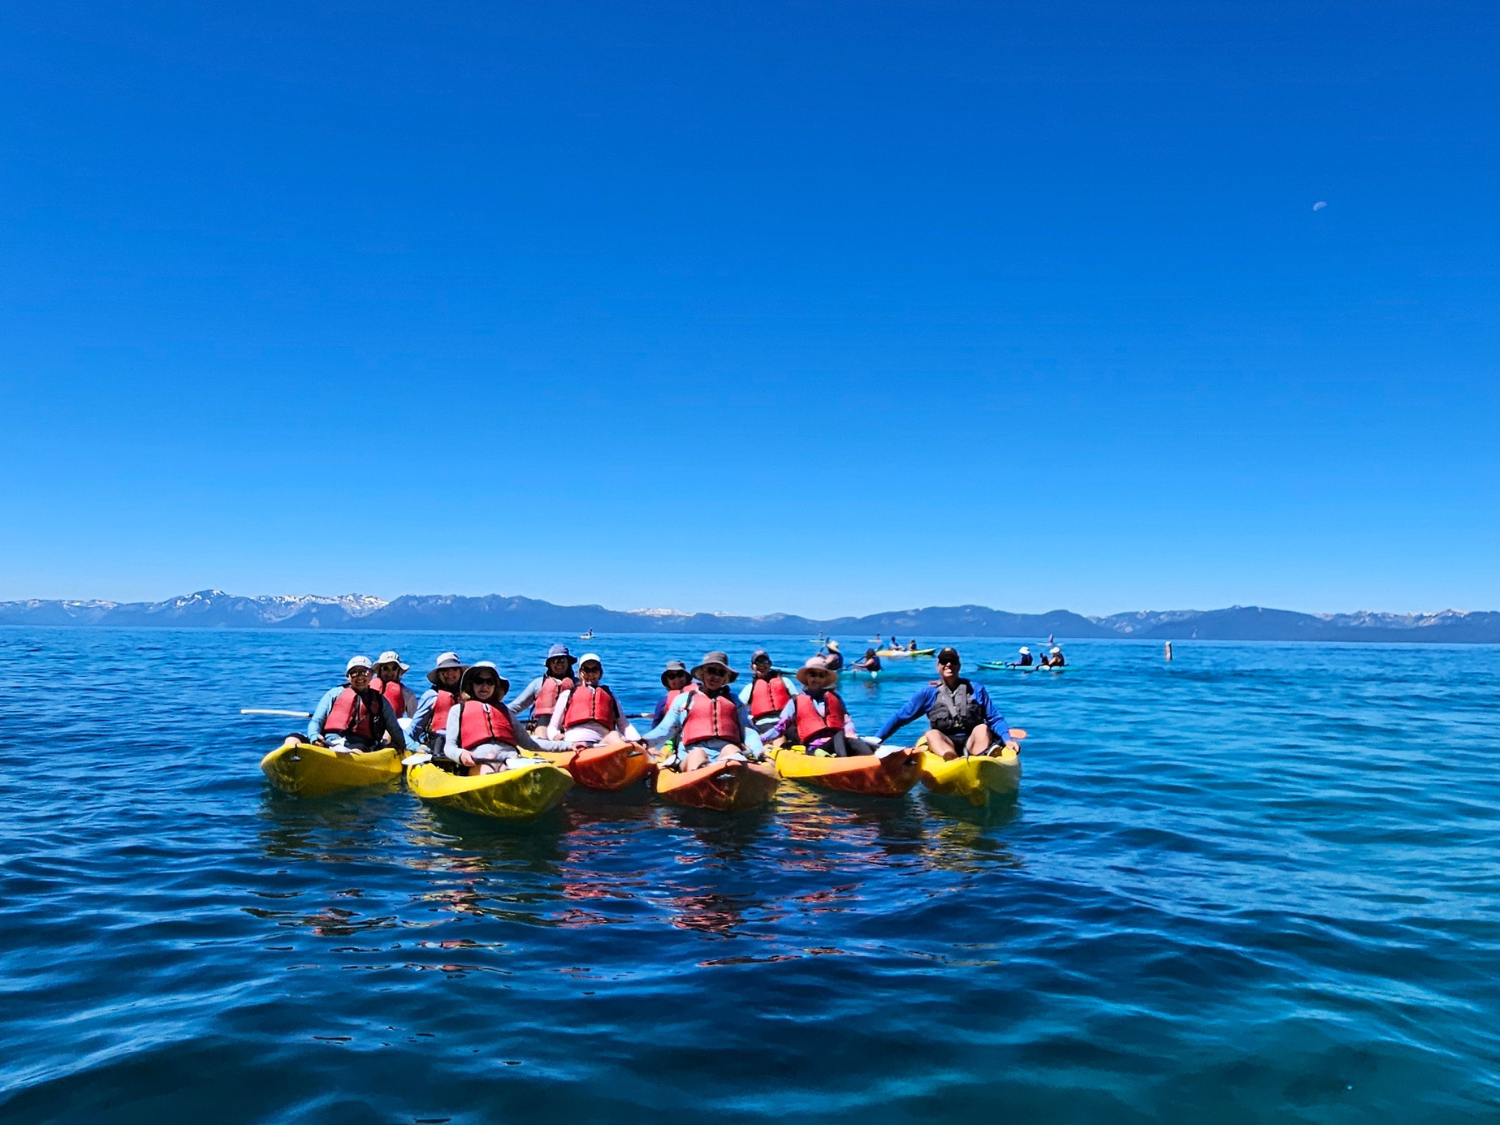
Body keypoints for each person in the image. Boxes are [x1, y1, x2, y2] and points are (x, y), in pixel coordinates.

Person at [874, 646, 1018, 761]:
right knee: (931, 733)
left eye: (953, 661)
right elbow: (900, 717)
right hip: (946, 742)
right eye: (944, 661)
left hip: (972, 740)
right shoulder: (928, 693)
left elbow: (994, 718)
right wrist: (876, 740)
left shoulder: (976, 689)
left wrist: (1007, 739)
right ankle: (951, 759)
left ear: (959, 666)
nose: (948, 664)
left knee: (982, 728)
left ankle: (981, 760)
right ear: (938, 666)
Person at [641, 651, 766, 771]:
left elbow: (748, 731)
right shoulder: (685, 700)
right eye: (711, 671)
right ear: (702, 674)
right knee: (698, 755)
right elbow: (665, 729)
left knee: (731, 750)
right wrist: (645, 741)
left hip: (725, 754)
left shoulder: (735, 702)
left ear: (725, 679)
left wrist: (758, 751)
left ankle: (730, 777)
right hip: (691, 753)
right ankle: (702, 777)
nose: (715, 676)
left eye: (721, 673)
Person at [442, 662, 558, 775]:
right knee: (489, 762)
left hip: (510, 759)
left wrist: (568, 745)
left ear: (495, 686)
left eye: (490, 682)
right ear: (471, 684)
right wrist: (461, 755)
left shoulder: (505, 711)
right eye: (479, 681)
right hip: (479, 760)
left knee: (506, 766)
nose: (484, 686)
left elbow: (530, 744)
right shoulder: (458, 710)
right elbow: (449, 747)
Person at [760, 656, 878, 756]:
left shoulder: (835, 698)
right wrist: (761, 739)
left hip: (839, 743)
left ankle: (874, 761)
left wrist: (850, 732)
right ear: (807, 677)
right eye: (813, 675)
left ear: (825, 679)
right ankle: (843, 764)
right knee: (840, 735)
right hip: (815, 750)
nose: (816, 679)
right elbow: (780, 727)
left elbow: (847, 721)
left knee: (851, 739)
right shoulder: (795, 701)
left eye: (821, 676)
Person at [298, 655, 408, 753]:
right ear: (348, 676)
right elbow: (317, 720)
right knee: (293, 739)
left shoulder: (380, 701)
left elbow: (395, 730)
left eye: (364, 672)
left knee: (356, 750)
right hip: (328, 741)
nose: (360, 676)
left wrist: (413, 748)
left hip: (360, 745)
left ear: (371, 675)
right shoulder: (334, 694)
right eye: (354, 672)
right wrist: (314, 737)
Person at [546, 653, 640, 749]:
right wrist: (555, 735)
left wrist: (638, 741)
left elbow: (624, 725)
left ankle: (632, 754)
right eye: (586, 669)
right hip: (574, 743)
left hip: (601, 745)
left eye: (594, 669)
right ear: (580, 673)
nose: (590, 673)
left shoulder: (610, 696)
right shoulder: (567, 695)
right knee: (615, 736)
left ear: (600, 673)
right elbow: (553, 726)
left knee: (614, 735)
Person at [407, 652, 466, 754]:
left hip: (464, 746)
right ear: (439, 674)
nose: (450, 674)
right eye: (445, 670)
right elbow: (416, 728)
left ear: (460, 672)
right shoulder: (431, 696)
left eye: (454, 669)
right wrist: (408, 744)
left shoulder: (468, 697)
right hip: (438, 746)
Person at [508, 644, 576, 732]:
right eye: (555, 660)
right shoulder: (538, 684)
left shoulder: (577, 685)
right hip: (544, 726)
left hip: (570, 728)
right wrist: (494, 712)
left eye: (563, 660)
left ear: (568, 663)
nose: (559, 663)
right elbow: (517, 706)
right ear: (549, 664)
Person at [738, 649, 799, 735]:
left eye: (765, 661)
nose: (761, 665)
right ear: (752, 667)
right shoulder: (749, 688)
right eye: (758, 662)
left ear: (770, 664)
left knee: (794, 733)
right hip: (763, 724)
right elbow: (738, 708)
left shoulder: (785, 681)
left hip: (786, 722)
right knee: (776, 736)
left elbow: (797, 701)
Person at [370, 651, 419, 721]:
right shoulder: (369, 690)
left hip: (394, 730)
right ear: (379, 670)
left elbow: (415, 720)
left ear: (399, 671)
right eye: (385, 668)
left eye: (394, 668)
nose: (390, 672)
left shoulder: (407, 694)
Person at [652, 660, 696, 725]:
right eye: (671, 676)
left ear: (686, 677)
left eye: (680, 674)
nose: (677, 679)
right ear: (667, 681)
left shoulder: (699, 695)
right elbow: (656, 726)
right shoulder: (664, 702)